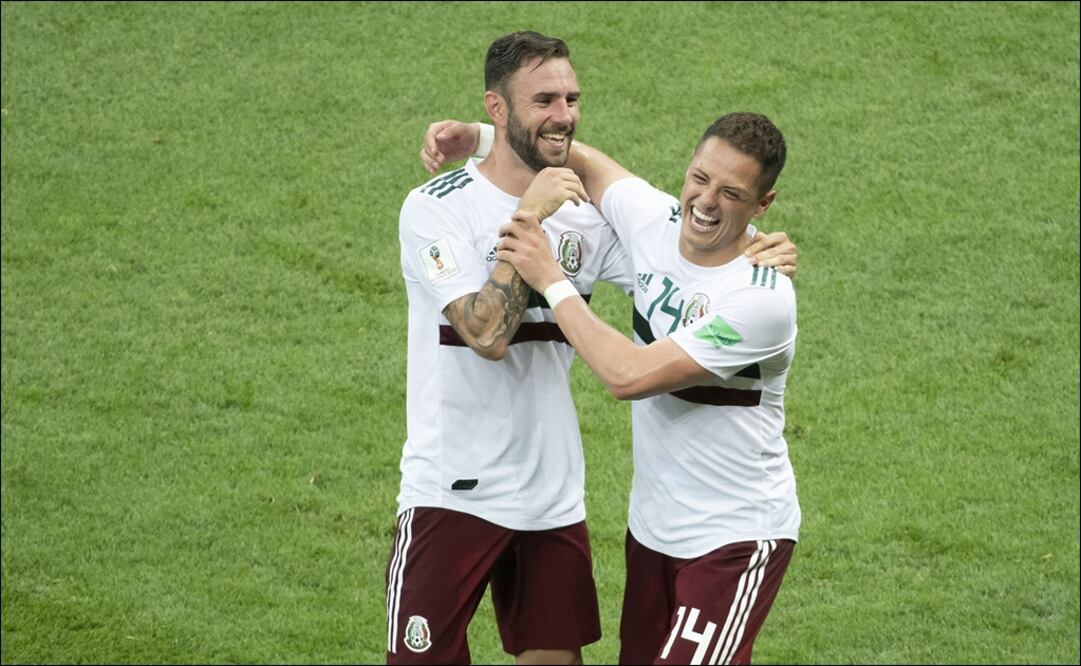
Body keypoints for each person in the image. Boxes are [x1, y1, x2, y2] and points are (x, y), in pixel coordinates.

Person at [392, 31, 797, 665]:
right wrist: (507, 177)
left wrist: (750, 249)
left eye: (571, 98)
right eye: (544, 99)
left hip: (556, 499)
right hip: (451, 491)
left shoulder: (589, 220)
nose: (564, 115)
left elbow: (680, 264)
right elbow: (486, 334)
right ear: (498, 107)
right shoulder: (433, 210)